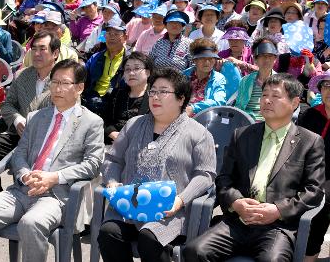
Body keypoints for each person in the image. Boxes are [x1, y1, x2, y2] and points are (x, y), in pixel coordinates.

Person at [0, 58, 104, 262]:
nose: (57, 88)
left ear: (79, 87)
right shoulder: (36, 117)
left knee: (30, 223)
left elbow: (92, 164)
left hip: (56, 196)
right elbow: (19, 153)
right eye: (54, 82)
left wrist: (54, 177)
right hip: (22, 189)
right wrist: (25, 174)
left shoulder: (92, 122)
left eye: (64, 83)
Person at [184, 73, 326, 261]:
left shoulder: (310, 141)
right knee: (195, 251)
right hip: (237, 222)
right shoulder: (242, 135)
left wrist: (277, 210)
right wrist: (236, 202)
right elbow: (224, 178)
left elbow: (313, 190)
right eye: (264, 95)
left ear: (294, 103)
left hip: (277, 227)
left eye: (275, 96)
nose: (267, 100)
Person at [98, 67, 217, 262]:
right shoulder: (134, 124)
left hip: (169, 212)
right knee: (108, 233)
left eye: (163, 91)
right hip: (129, 205)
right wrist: (112, 181)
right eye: (153, 91)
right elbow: (113, 160)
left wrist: (181, 199)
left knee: (149, 238)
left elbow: (205, 175)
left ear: (181, 99)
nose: (155, 96)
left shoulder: (199, 133)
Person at [0, 31, 59, 194]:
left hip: (47, 140)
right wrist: (17, 119)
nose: (37, 54)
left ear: (55, 53)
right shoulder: (23, 75)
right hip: (18, 134)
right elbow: (7, 104)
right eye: (34, 49)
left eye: (43, 49)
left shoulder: (63, 79)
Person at [298, 71, 330, 262]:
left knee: (323, 202)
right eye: (326, 86)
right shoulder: (310, 114)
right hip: (306, 169)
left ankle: (310, 255)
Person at [83, 16, 129, 116]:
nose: (112, 37)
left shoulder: (130, 61)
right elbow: (83, 78)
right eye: (109, 33)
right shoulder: (95, 57)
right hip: (91, 101)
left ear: (125, 37)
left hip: (115, 105)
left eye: (116, 34)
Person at [103, 51, 152, 144]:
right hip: (113, 143)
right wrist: (112, 133)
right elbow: (105, 119)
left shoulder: (154, 96)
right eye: (127, 69)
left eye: (137, 68)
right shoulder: (117, 93)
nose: (131, 73)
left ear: (148, 72)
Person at [235, 37, 278, 121]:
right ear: (255, 59)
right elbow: (239, 107)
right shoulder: (245, 81)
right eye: (262, 56)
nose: (267, 59)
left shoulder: (282, 82)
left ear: (275, 59)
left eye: (270, 56)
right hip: (248, 122)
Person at [184, 38, 226, 117]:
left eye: (211, 58)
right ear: (194, 60)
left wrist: (193, 108)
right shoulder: (184, 75)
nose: (207, 62)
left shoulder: (218, 78)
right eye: (202, 58)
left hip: (206, 119)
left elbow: (219, 101)